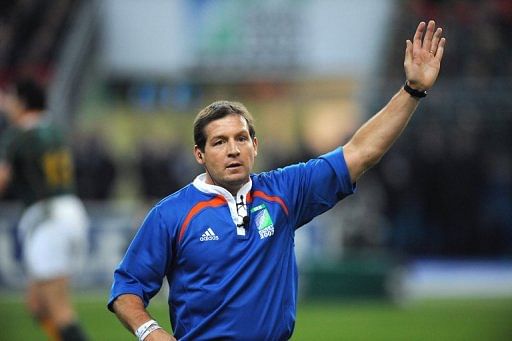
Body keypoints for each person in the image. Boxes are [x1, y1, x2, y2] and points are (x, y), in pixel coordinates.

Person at [108, 20, 446, 340]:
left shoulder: (285, 191)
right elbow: (126, 289)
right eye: (219, 142)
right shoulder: (171, 214)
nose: (233, 150)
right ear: (200, 154)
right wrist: (149, 331)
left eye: (241, 139)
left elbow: (360, 153)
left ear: (255, 146)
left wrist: (412, 91)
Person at [0, 78, 89, 341]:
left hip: (48, 218)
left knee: (60, 310)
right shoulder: (55, 129)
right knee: (37, 304)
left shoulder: (18, 135)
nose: (6, 104)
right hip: (70, 210)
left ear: (22, 102)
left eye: (10, 97)